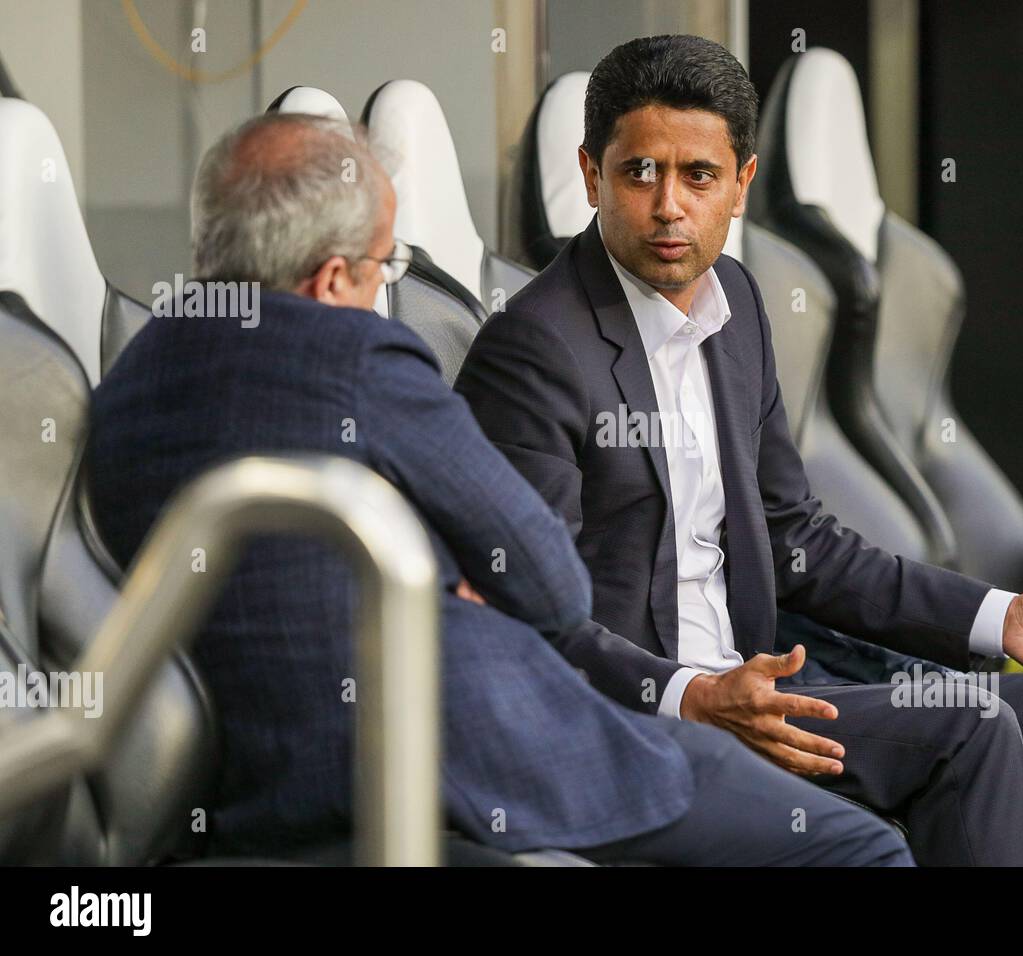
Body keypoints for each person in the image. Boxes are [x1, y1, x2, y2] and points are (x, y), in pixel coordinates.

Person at [86, 112, 911, 867]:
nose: (386, 293)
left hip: (262, 782)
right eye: (387, 266)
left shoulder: (126, 381)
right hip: (479, 754)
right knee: (856, 849)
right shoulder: (355, 358)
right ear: (332, 279)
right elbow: (551, 582)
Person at [456, 35, 1023, 866]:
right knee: (969, 732)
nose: (667, 207)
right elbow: (528, 612)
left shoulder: (737, 306)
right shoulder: (535, 348)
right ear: (592, 177)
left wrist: (1000, 617)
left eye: (698, 176)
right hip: (639, 723)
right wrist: (694, 694)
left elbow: (799, 542)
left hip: (760, 687)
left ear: (742, 186)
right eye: (639, 172)